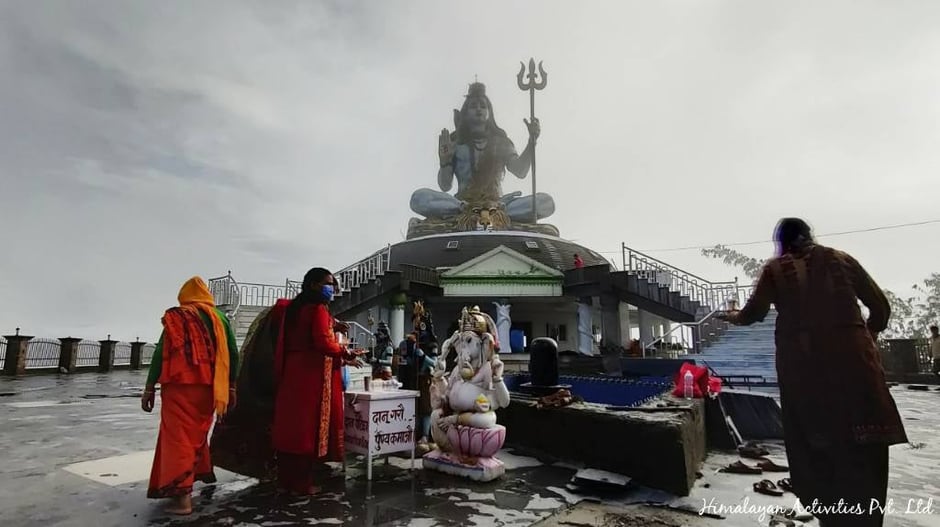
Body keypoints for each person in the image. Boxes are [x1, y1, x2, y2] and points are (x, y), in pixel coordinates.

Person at [719, 218, 906, 527]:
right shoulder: (842, 259)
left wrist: (733, 316)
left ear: (781, 242)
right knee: (867, 454)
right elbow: (881, 309)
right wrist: (866, 336)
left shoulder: (776, 269)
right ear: (810, 236)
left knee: (817, 452)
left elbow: (753, 313)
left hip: (806, 376)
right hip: (858, 373)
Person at [141, 276, 239, 515]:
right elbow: (233, 352)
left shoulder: (178, 316)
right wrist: (232, 386)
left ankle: (182, 498)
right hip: (211, 387)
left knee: (178, 439)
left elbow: (160, 353)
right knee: (196, 433)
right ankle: (200, 473)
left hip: (179, 386)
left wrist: (149, 387)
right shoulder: (220, 318)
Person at [269, 267, 364, 495]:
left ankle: (285, 481)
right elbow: (322, 342)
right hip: (311, 375)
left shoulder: (294, 308)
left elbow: (308, 331)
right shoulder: (318, 309)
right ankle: (302, 484)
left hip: (292, 371)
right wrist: (346, 352)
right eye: (328, 284)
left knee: (291, 426)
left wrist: (333, 324)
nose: (331, 288)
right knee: (307, 429)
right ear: (313, 285)